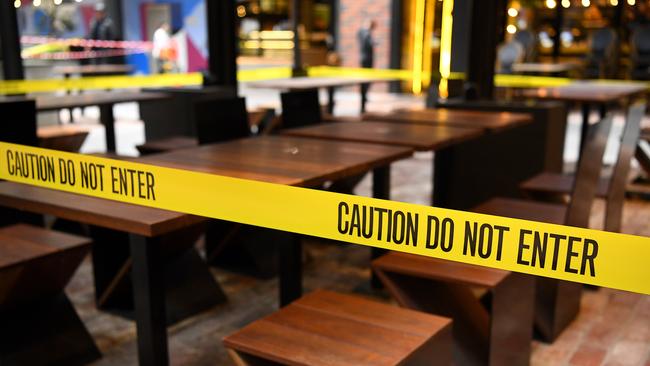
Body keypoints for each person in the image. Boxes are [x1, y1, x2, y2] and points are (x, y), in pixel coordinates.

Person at [357, 20, 377, 113]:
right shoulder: (365, 33)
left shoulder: (361, 32)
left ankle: (364, 99)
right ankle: (363, 101)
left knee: (366, 81)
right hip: (366, 59)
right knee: (365, 81)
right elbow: (369, 43)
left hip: (364, 58)